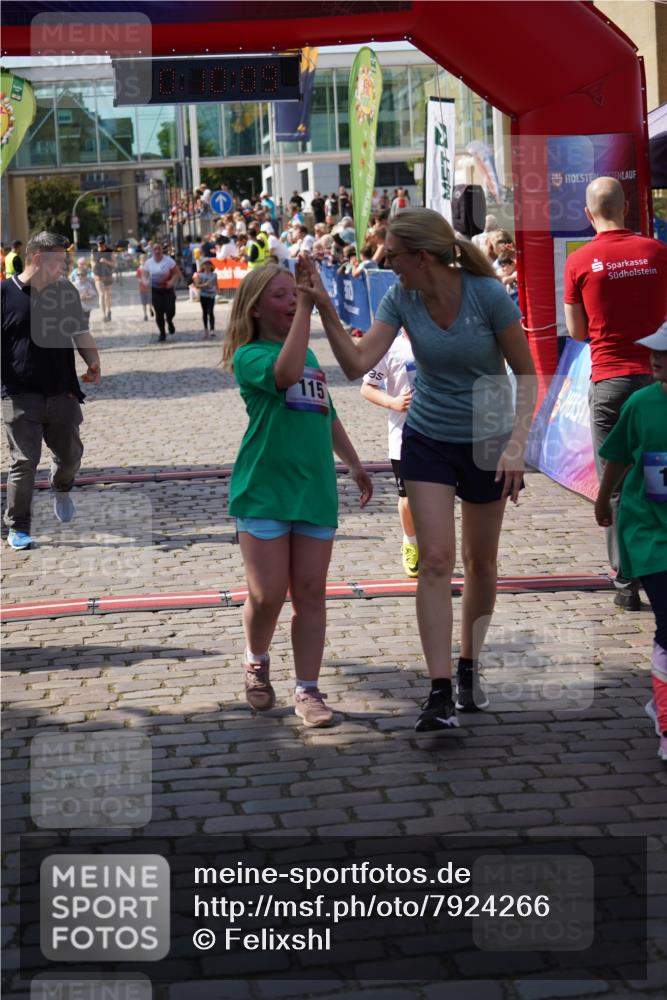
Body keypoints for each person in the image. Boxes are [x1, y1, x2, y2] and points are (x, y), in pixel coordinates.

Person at [296, 208, 537, 731]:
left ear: (421, 257)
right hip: (427, 434)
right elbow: (359, 364)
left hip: (488, 435)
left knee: (480, 563)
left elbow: (526, 370)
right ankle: (439, 690)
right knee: (433, 561)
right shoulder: (400, 296)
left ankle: (470, 665)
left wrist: (517, 445)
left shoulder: (486, 295)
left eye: (394, 257)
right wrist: (324, 313)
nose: (388, 265)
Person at [221, 262, 372, 728]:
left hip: (314, 490)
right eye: (281, 295)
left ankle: (308, 689)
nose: (291, 301)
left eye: (295, 294)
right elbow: (284, 375)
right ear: (256, 308)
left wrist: (353, 461)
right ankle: (256, 658)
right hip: (264, 489)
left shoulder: (308, 358)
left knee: (310, 592)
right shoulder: (251, 356)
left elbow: (324, 412)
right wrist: (309, 306)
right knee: (267, 596)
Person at [564, 176, 667, 610]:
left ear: (588, 215)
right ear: (626, 208)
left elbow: (575, 331)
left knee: (617, 483)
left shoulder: (579, 262)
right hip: (659, 380)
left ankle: (626, 582)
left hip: (610, 380)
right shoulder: (658, 253)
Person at [594, 321, 667, 762]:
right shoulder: (640, 403)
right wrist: (603, 501)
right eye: (653, 349)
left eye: (665, 350)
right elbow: (618, 458)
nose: (654, 356)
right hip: (650, 533)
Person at [1, 231, 101, 551]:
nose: (64, 265)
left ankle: (60, 485)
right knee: (23, 462)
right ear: (37, 259)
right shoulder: (4, 294)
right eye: (59, 260)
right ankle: (18, 526)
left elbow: (80, 331)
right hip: (19, 395)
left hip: (63, 393)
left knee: (71, 456)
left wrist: (93, 361)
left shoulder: (66, 292)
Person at [360, 330, 419, 578]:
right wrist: (393, 402)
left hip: (441, 433)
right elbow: (367, 388)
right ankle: (411, 542)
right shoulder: (390, 348)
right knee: (408, 498)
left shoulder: (443, 341)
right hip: (403, 436)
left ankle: (437, 548)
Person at [143, 242, 181, 342]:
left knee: (170, 310)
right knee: (158, 313)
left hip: (167, 289)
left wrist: (172, 281)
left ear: (162, 250)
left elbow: (177, 273)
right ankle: (162, 333)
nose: (157, 251)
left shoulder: (168, 261)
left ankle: (169, 321)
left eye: (159, 249)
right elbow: (144, 275)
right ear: (152, 251)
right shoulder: (148, 263)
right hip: (155, 291)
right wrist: (146, 282)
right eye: (155, 249)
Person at [192, 259, 218, 339]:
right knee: (205, 312)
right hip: (203, 295)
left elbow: (216, 283)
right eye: (205, 265)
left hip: (211, 295)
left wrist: (217, 289)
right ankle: (206, 329)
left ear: (211, 266)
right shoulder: (200, 275)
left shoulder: (214, 275)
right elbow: (197, 285)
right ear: (203, 266)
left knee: (211, 311)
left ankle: (212, 329)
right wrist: (205, 285)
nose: (207, 266)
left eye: (209, 265)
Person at [70, 257, 98, 328]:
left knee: (86, 317)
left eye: (83, 264)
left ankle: (85, 329)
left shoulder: (89, 272)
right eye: (80, 264)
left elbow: (93, 284)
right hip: (78, 301)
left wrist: (87, 295)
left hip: (87, 300)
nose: (80, 276)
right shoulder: (74, 272)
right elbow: (70, 282)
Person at [92, 238, 115, 322]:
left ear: (104, 243)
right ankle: (104, 315)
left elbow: (114, 264)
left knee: (107, 296)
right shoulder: (94, 251)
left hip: (108, 275)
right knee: (101, 295)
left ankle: (109, 311)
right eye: (98, 244)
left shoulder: (110, 251)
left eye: (101, 244)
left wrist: (106, 261)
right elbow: (92, 262)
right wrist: (93, 266)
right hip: (98, 275)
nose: (100, 246)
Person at [135, 253, 152, 320]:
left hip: (149, 288)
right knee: (144, 303)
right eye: (142, 260)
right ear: (140, 261)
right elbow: (138, 278)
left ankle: (150, 310)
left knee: (150, 302)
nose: (143, 262)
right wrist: (143, 281)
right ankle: (145, 315)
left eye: (145, 260)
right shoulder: (139, 270)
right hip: (142, 289)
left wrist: (148, 281)